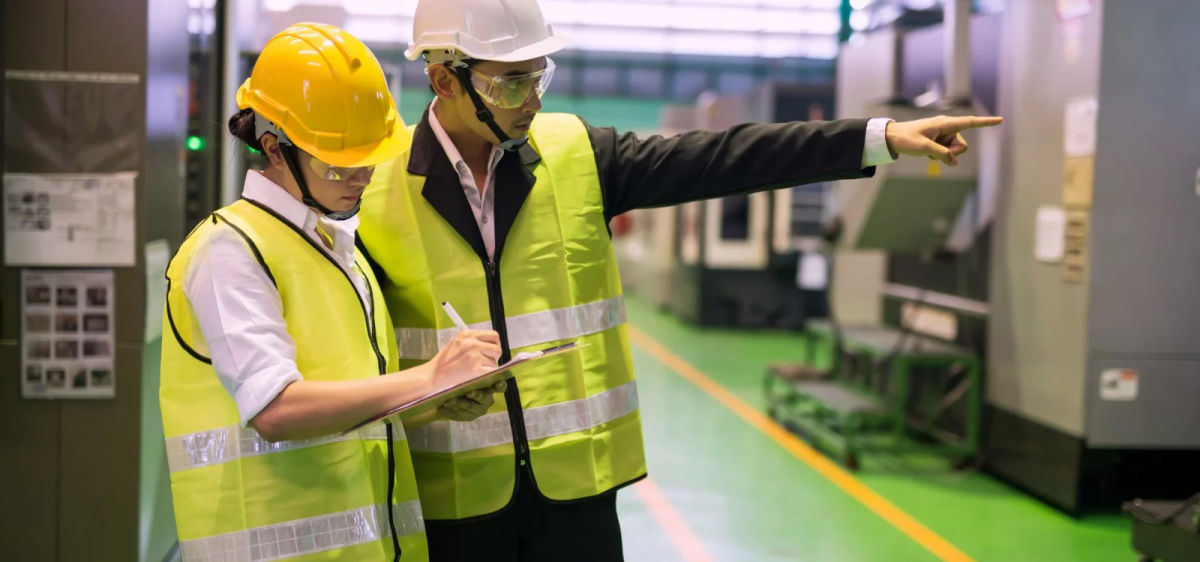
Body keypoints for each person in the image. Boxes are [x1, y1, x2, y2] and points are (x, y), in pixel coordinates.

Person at [356, 1, 1004, 560]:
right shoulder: (374, 194)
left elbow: (723, 158)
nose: (533, 99)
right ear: (443, 80)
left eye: (539, 76)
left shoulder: (576, 154)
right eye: (510, 84)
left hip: (576, 491)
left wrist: (878, 137)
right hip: (453, 501)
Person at [158, 23, 503, 561]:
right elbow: (275, 409)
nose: (361, 178)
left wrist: (433, 403)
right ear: (274, 149)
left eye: (369, 160)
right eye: (339, 163)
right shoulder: (229, 249)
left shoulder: (338, 250)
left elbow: (349, 407)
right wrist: (429, 376)